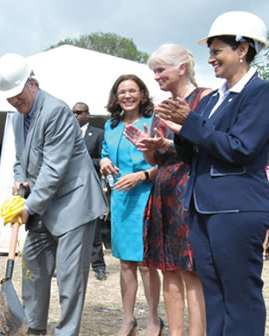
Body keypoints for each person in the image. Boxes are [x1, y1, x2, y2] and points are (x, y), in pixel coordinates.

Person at [155, 11, 269, 335]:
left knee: (240, 297)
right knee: (214, 295)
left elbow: (241, 147)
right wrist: (180, 128)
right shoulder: (210, 101)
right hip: (202, 209)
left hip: (237, 209)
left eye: (218, 51)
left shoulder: (261, 93)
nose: (211, 59)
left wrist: (190, 123)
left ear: (243, 49)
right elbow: (193, 153)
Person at [0, 53, 108, 336]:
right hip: (43, 205)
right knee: (32, 268)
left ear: (32, 83)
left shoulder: (56, 111)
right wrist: (20, 180)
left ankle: (66, 332)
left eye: (18, 96)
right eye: (9, 98)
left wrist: (28, 207)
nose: (15, 102)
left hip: (73, 204)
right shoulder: (18, 118)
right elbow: (21, 158)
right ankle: (34, 327)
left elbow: (54, 169)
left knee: (69, 279)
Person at [125, 43, 210, 336]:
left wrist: (166, 143)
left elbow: (205, 147)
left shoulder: (206, 99)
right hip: (164, 189)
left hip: (191, 188)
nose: (156, 77)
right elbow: (156, 159)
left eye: (160, 70)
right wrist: (146, 145)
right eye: (154, 71)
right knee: (168, 268)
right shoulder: (161, 109)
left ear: (182, 68)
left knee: (191, 270)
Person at [100, 74, 161, 336]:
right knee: (126, 263)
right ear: (116, 96)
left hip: (147, 195)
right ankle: (128, 320)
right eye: (122, 91)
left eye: (132, 91)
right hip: (121, 198)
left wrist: (142, 175)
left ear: (142, 95)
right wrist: (103, 162)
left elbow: (167, 162)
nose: (127, 95)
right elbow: (104, 152)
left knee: (146, 262)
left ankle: (153, 320)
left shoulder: (154, 122)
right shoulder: (110, 126)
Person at [72, 102, 108, 281]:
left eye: (79, 112)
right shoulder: (67, 133)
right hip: (70, 188)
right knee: (71, 229)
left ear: (87, 114)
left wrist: (84, 160)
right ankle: (73, 266)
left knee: (93, 229)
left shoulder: (98, 134)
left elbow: (103, 159)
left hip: (90, 186)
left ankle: (99, 266)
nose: (75, 116)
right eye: (73, 113)